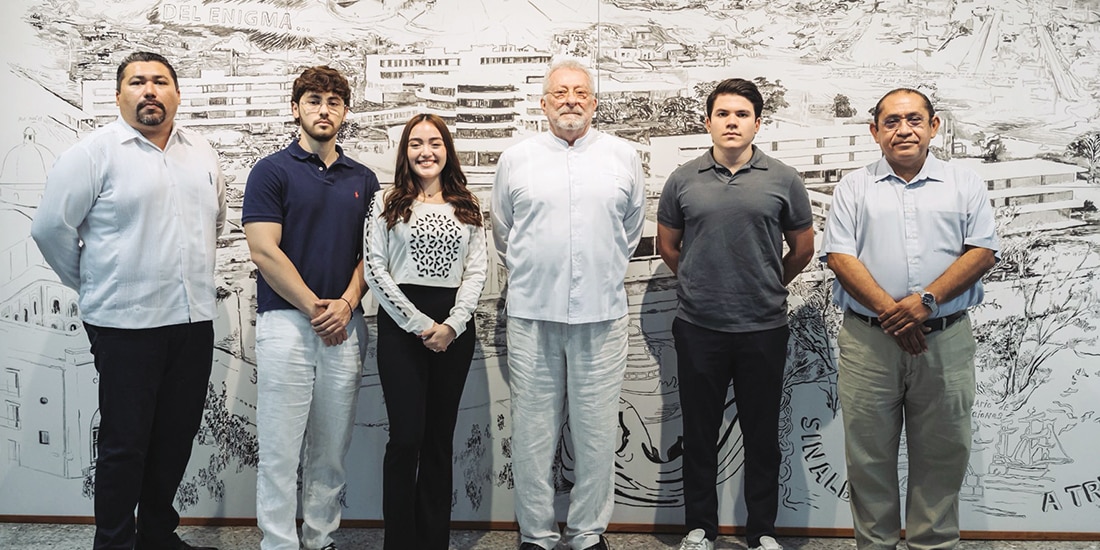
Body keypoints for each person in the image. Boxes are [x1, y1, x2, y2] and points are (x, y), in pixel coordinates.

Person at [31, 51, 226, 550]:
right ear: (119, 95)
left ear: (177, 94)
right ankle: (114, 542)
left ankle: (157, 534)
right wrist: (96, 285)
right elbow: (51, 229)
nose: (150, 90)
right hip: (124, 326)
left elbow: (215, 223)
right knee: (124, 444)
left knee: (175, 438)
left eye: (161, 81)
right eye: (137, 82)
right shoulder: (94, 153)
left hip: (191, 322)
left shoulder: (201, 152)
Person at [820, 88, 999, 550]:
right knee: (868, 457)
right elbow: (839, 256)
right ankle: (875, 545)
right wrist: (893, 313)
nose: (905, 130)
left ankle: (933, 544)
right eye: (893, 121)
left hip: (946, 339)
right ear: (875, 131)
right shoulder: (853, 187)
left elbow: (982, 251)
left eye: (915, 120)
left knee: (943, 453)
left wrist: (925, 303)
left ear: (934, 126)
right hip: (868, 344)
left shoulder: (965, 184)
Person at [490, 58, 646, 550]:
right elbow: (503, 234)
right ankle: (536, 535)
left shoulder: (624, 156)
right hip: (533, 314)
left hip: (601, 316)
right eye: (560, 93)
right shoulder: (516, 159)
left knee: (597, 433)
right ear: (544, 103)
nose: (571, 100)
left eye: (580, 92)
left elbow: (630, 230)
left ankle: (586, 533)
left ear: (594, 102)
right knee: (533, 432)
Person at [656, 78, 815, 550]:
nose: (731, 122)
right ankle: (699, 529)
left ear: (757, 124)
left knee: (762, 435)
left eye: (741, 115)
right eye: (723, 114)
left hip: (763, 328)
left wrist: (764, 283)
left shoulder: (783, 178)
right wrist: (701, 282)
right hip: (698, 328)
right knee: (699, 434)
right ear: (708, 122)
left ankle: (762, 532)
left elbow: (802, 249)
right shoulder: (683, 178)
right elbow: (668, 246)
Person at [242, 66, 379, 550]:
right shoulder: (270, 171)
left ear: (344, 111)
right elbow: (264, 251)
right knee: (280, 449)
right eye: (314, 100)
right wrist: (316, 308)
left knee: (331, 449)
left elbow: (373, 255)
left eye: (334, 102)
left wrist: (344, 304)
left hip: (345, 326)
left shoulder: (363, 177)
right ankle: (278, 543)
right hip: (286, 324)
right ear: (297, 107)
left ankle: (321, 539)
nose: (324, 109)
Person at [364, 113, 488, 549]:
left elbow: (477, 271)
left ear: (447, 150)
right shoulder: (386, 202)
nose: (426, 151)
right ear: (405, 152)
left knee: (438, 439)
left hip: (454, 331)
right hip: (403, 330)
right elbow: (375, 270)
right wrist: (420, 325)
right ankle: (399, 541)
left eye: (434, 142)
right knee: (406, 438)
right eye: (416, 143)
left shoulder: (467, 203)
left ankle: (434, 540)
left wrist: (452, 324)